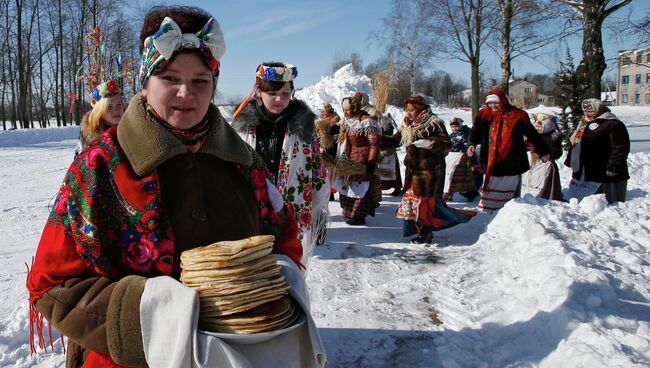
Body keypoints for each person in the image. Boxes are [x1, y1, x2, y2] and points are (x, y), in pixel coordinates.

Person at [26, 6, 324, 367]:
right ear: (145, 80)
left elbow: (286, 243)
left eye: (200, 80)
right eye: (169, 78)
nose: (186, 93)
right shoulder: (98, 167)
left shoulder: (245, 164)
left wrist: (261, 293)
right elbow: (52, 285)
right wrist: (153, 319)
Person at [232, 62, 330, 257]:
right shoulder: (241, 129)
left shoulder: (304, 130)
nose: (279, 99)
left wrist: (318, 211)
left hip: (292, 216)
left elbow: (318, 172)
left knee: (290, 277)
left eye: (285, 93)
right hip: (250, 216)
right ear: (259, 92)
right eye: (272, 93)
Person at [384, 95, 475, 244]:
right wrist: (380, 140)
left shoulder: (434, 123)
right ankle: (420, 230)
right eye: (407, 110)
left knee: (424, 205)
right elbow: (396, 140)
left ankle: (425, 233)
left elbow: (446, 144)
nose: (409, 113)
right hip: (414, 171)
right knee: (414, 203)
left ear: (420, 109)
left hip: (430, 171)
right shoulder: (408, 125)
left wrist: (431, 143)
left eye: (412, 110)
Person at [467, 88, 551, 211]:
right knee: (490, 190)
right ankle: (489, 213)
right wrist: (472, 143)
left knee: (511, 197)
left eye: (496, 102)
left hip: (512, 160)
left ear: (503, 101)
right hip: (491, 161)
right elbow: (475, 131)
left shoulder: (518, 115)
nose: (493, 106)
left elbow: (532, 134)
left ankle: (510, 213)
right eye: (490, 103)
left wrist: (543, 151)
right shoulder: (483, 115)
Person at [565, 98, 630, 204]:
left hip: (606, 173)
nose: (587, 113)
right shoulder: (584, 123)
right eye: (585, 111)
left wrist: (613, 166)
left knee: (604, 203)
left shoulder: (613, 124)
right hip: (586, 170)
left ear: (599, 109)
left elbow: (620, 147)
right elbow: (576, 143)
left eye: (590, 111)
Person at [332, 92, 382, 225]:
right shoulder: (346, 121)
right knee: (347, 186)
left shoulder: (367, 121)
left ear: (355, 108)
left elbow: (373, 144)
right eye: (344, 110)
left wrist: (371, 162)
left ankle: (359, 216)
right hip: (347, 158)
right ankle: (349, 213)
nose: (346, 112)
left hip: (362, 158)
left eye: (348, 109)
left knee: (360, 187)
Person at [74, 80, 125, 155]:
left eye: (119, 105)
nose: (115, 110)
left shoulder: (131, 128)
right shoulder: (90, 137)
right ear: (99, 110)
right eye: (109, 107)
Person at [521, 113, 565, 200]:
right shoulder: (536, 136)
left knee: (545, 184)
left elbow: (557, 153)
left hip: (546, 165)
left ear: (547, 126)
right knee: (531, 182)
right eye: (536, 127)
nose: (537, 129)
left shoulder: (552, 137)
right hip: (534, 164)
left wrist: (549, 155)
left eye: (540, 127)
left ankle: (549, 198)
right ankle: (529, 196)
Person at [443, 117, 479, 202]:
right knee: (448, 176)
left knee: (452, 176)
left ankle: (450, 193)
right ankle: (448, 193)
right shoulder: (451, 135)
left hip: (460, 158)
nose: (454, 128)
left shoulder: (465, 134)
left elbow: (468, 147)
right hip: (451, 158)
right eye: (452, 127)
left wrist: (473, 161)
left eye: (456, 126)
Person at [316, 102, 341, 202]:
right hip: (321, 147)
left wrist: (327, 133)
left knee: (330, 171)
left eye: (322, 110)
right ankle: (324, 191)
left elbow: (337, 131)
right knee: (323, 171)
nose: (321, 112)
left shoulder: (334, 119)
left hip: (331, 147)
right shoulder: (321, 119)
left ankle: (330, 192)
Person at [378, 112, 403, 196]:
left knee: (393, 170)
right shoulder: (378, 119)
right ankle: (379, 188)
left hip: (389, 148)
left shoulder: (389, 123)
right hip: (382, 147)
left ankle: (397, 188)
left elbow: (390, 134)